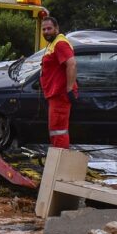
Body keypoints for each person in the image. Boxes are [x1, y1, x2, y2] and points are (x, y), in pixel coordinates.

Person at [39, 16, 77, 149]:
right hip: (54, 95)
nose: (46, 31)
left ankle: (60, 164)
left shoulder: (60, 44)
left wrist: (69, 89)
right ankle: (58, 160)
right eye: (44, 29)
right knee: (56, 131)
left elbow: (71, 64)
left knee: (59, 131)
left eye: (49, 28)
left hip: (60, 95)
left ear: (56, 29)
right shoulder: (53, 43)